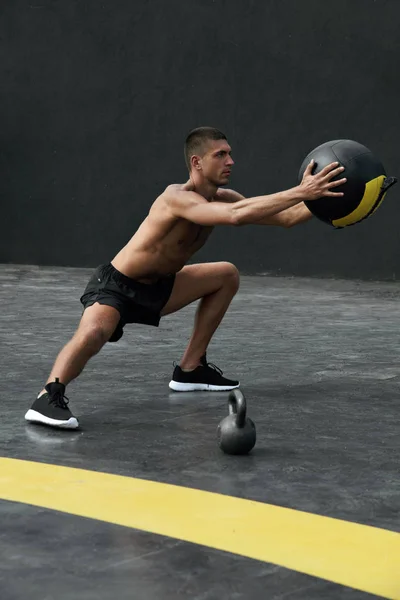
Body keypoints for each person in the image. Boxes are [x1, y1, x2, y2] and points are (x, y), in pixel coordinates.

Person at [24, 127, 346, 430]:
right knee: (95, 331)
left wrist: (339, 204)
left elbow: (288, 217)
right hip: (119, 286)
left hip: (161, 287)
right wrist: (302, 191)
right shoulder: (175, 198)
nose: (230, 161)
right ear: (197, 162)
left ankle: (190, 369)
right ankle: (47, 396)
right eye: (220, 154)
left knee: (225, 275)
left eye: (230, 153)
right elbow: (237, 217)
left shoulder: (224, 197)